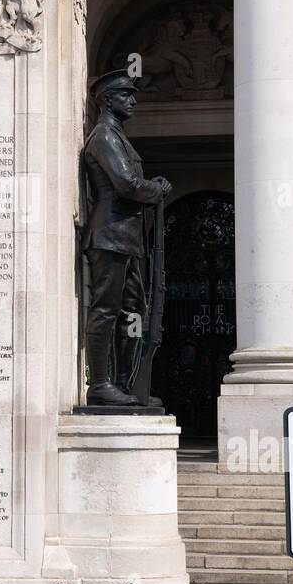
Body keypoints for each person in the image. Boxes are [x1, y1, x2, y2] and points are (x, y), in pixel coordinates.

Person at [82, 70, 172, 406]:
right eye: (126, 94)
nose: (133, 100)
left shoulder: (118, 137)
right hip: (108, 234)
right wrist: (157, 189)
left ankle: (124, 385)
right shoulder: (104, 136)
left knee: (133, 310)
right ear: (107, 99)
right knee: (105, 309)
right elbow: (127, 185)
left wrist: (152, 187)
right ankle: (100, 385)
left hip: (127, 237)